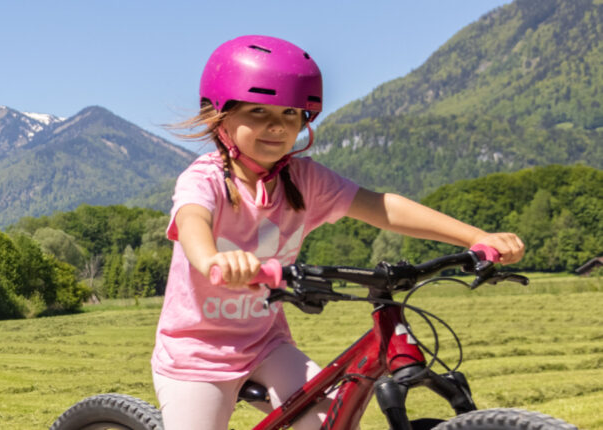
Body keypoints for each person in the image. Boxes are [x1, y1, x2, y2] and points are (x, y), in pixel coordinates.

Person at [152, 35, 526, 430]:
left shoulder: (304, 179)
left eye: (292, 114)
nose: (278, 126)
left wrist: (475, 236)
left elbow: (383, 207)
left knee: (333, 422)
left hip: (266, 345)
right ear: (219, 116)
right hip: (195, 356)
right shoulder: (205, 178)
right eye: (259, 110)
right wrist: (213, 259)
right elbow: (193, 220)